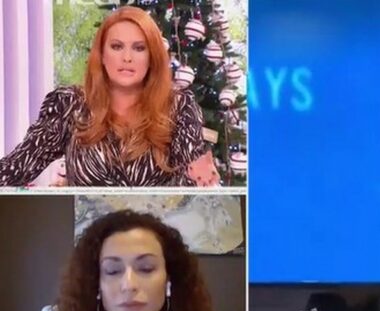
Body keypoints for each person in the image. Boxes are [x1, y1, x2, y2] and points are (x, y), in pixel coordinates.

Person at [0, 6, 219, 187]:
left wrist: (202, 177)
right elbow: (16, 168)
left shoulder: (179, 106)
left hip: (159, 225)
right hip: (87, 227)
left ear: (152, 57)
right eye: (116, 46)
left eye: (139, 48)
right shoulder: (68, 104)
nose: (127, 57)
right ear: (102, 55)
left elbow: (191, 186)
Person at [43, 210, 229, 311]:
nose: (129, 284)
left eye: (146, 268)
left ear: (169, 279)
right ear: (96, 284)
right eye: (113, 271)